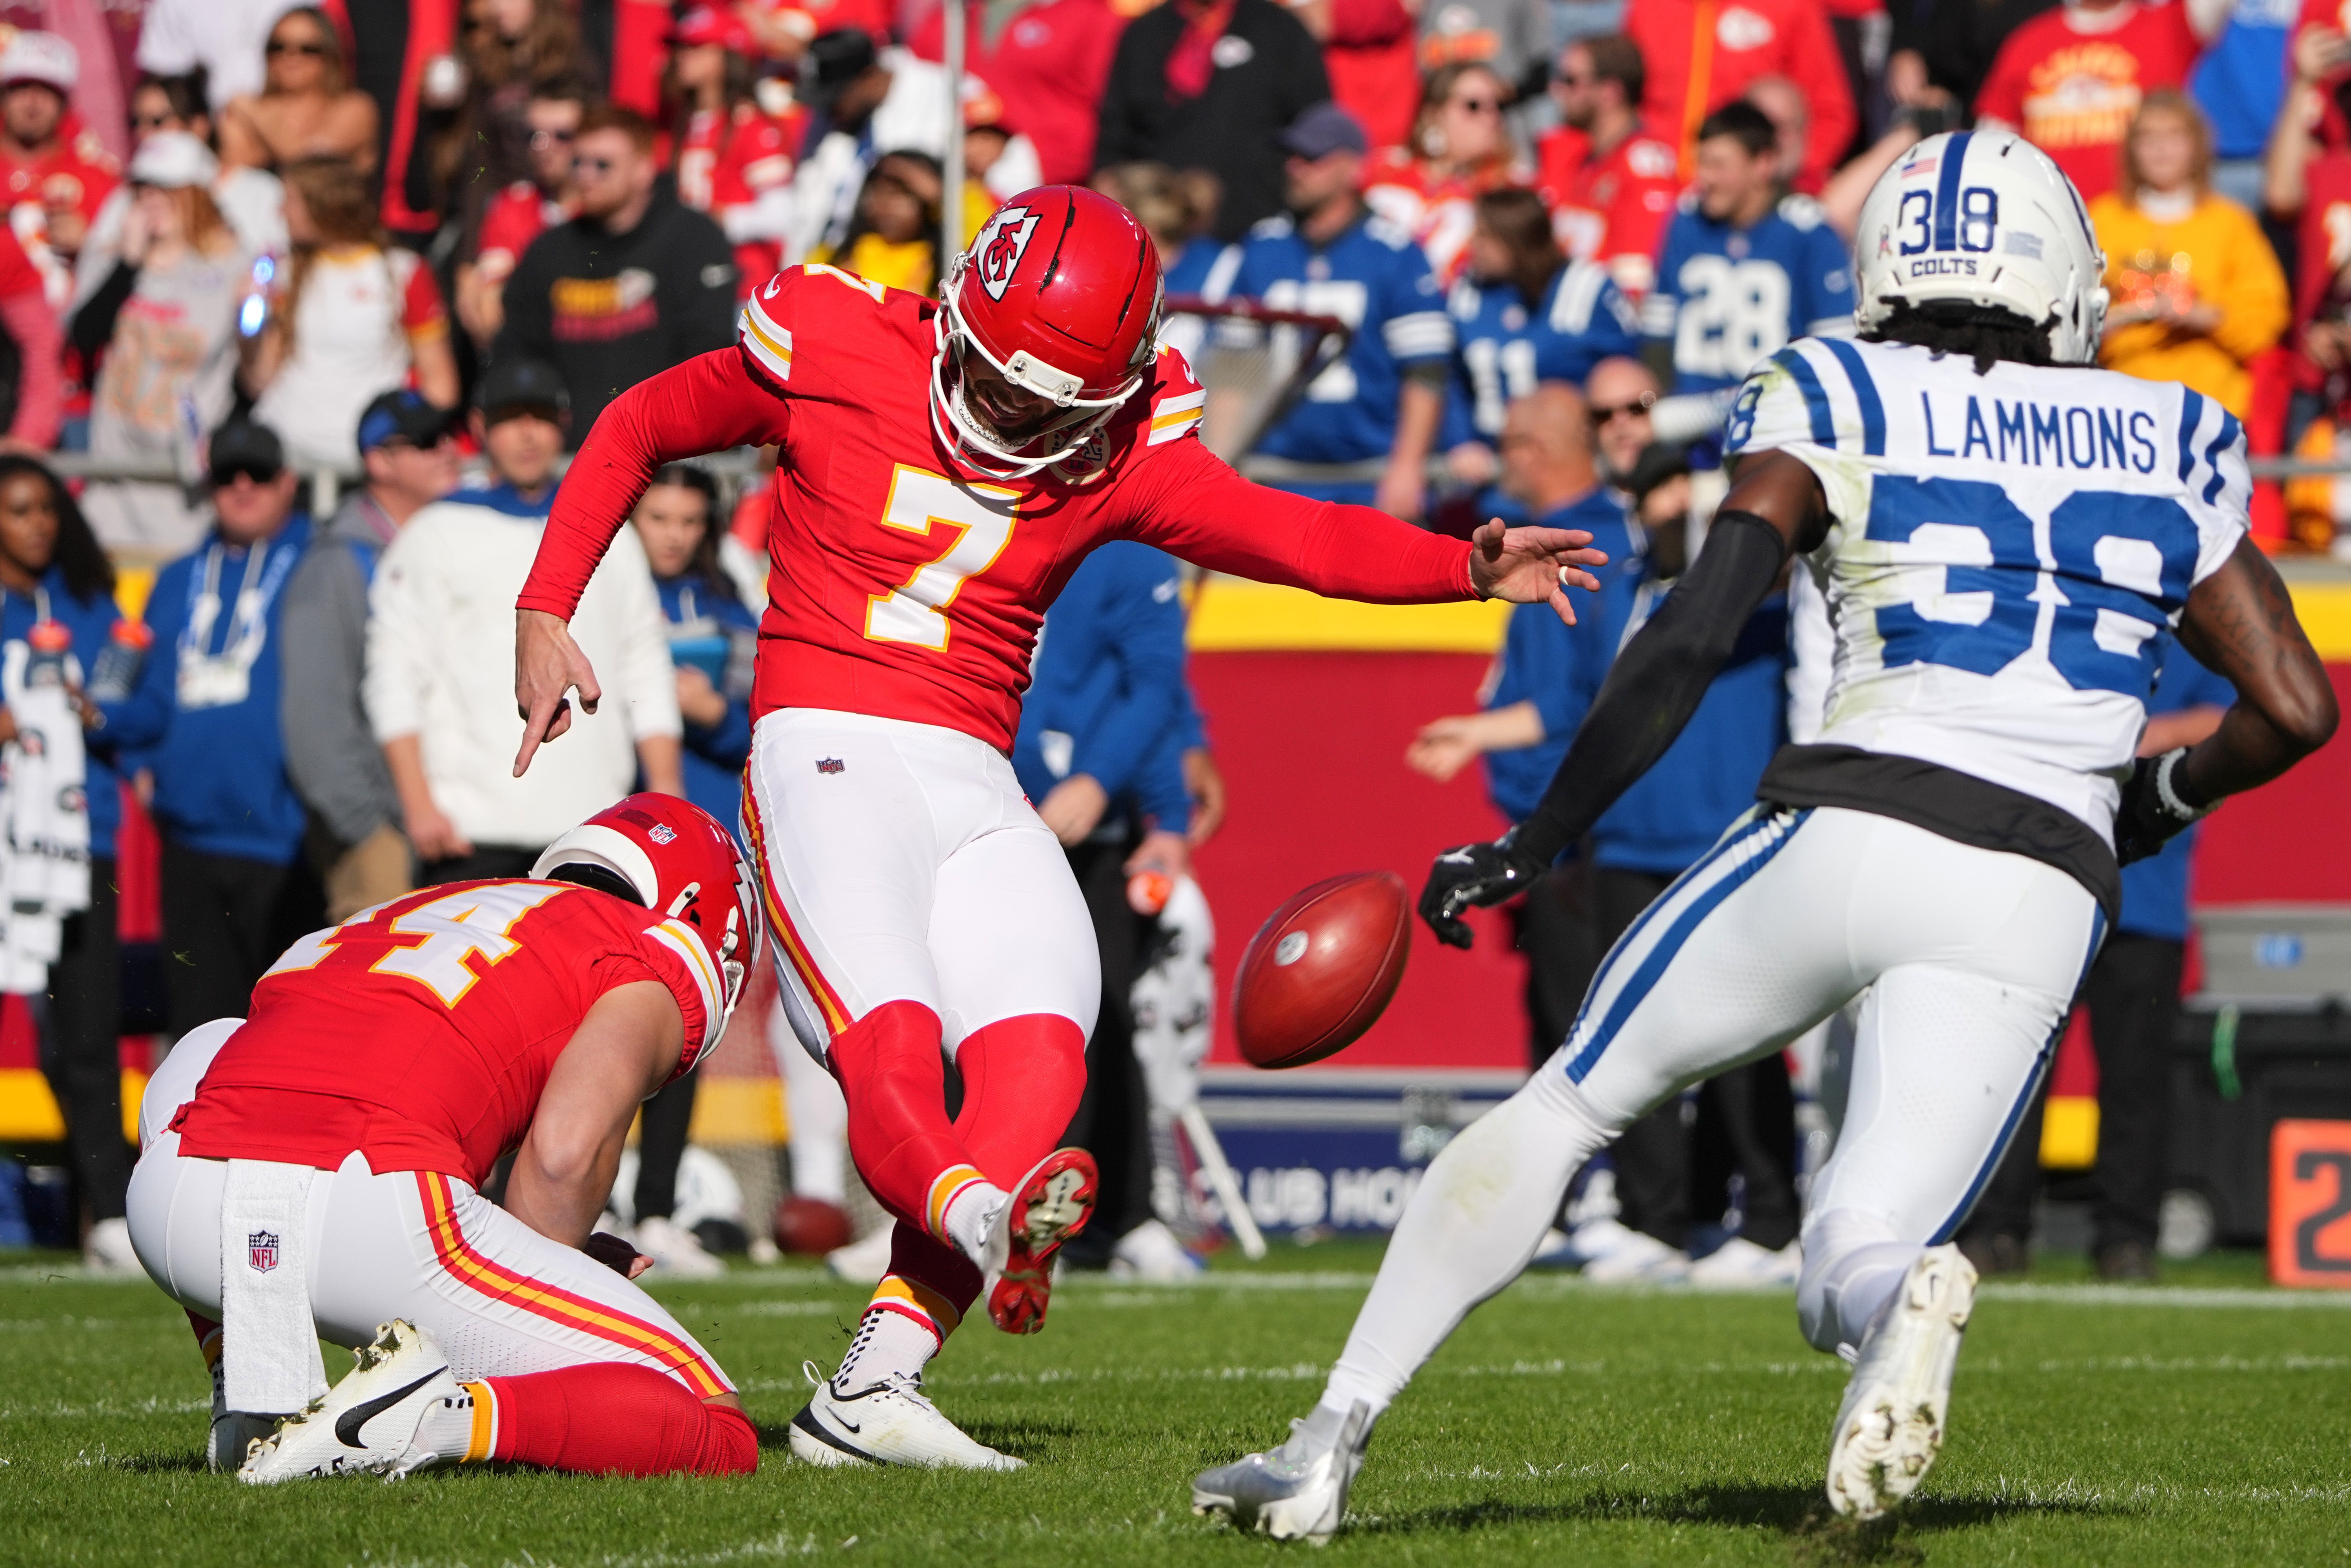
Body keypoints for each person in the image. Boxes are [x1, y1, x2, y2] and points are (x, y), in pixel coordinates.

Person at [1191, 129, 2339, 1538]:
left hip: (1857, 810)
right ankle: (1891, 1302)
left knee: (1566, 1100)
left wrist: (1542, 833)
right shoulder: (2170, 430)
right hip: (2042, 873)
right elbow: (2289, 705)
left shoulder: (1835, 383)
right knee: (1847, 1248)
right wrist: (2151, 800)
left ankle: (1322, 1443)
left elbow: (1688, 631)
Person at [506, 186, 1608, 1470]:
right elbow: (642, 418)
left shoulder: (1125, 441)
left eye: (1054, 405)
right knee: (893, 1041)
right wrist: (547, 600)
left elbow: (1290, 535)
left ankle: (873, 1387)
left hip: (978, 769)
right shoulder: (841, 341)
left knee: (1047, 1034)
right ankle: (984, 1219)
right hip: (823, 742)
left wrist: (1459, 567)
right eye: (1007, 386)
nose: (1021, 419)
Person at [124, 792, 762, 1481]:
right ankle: (428, 1412)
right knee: (716, 1427)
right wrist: (549, 1269)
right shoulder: (647, 949)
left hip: (179, 1211)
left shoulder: (408, 909)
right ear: (715, 925)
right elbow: (562, 1156)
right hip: (371, 1205)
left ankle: (245, 1391)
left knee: (207, 1044)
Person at [1958, 635, 2236, 1280]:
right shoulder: (2066, 615)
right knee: (2015, 1069)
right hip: (2044, 888)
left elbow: (2230, 716)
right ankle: (1997, 1229)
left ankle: (2125, 1237)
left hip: (2147, 901)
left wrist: (2133, 733)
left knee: (2135, 1079)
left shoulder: (2192, 634)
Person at [369, 358, 682, 887]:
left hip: (593, 831)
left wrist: (667, 791)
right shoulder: (437, 530)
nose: (527, 433)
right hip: (471, 834)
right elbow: (394, 673)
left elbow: (644, 663)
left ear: (562, 422)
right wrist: (418, 805)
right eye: (510, 417)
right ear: (479, 428)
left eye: (539, 415)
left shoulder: (613, 533)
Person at [1406, 382, 1637, 1065]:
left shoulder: (1593, 547)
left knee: (1578, 1042)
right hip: (1548, 832)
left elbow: (1587, 698)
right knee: (1554, 1029)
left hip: (1577, 834)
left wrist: (1475, 732)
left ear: (1535, 453)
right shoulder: (1555, 534)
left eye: (1509, 443)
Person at [1010, 539, 1199, 1278]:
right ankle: (947, 1211)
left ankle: (1124, 1212)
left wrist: (1158, 811)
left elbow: (1156, 689)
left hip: (1086, 827)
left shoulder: (1128, 548)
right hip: (978, 805)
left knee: (1103, 1015)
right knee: (957, 1017)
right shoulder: (981, 505)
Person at [3, 457, 168, 1276]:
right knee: (45, 1039)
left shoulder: (91, 606)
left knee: (86, 1031)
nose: (36, 525)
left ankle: (110, 1212)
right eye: (18, 511)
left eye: (45, 510)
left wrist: (91, 709)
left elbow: (140, 714)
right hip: (7, 846)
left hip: (79, 847)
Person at [131, 418, 321, 1038]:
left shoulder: (321, 564)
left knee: (287, 1032)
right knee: (199, 1031)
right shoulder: (176, 578)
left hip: (289, 841)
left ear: (288, 483)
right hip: (191, 836)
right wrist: (139, 766)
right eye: (226, 476)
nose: (243, 488)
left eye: (259, 476)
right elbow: (143, 687)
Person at [1206, 104, 1454, 519]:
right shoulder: (1261, 248)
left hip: (1369, 475)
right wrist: (1221, 467)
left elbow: (1425, 371)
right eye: (1292, 156)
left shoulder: (1395, 253)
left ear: (1353, 169)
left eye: (1312, 158)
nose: (1295, 168)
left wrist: (1407, 468)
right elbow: (1234, 370)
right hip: (1274, 474)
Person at [278, 390, 461, 925]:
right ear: (378, 461)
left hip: (446, 826)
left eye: (450, 436)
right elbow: (315, 720)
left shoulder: (443, 546)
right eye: (427, 442)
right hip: (381, 835)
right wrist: (371, 829)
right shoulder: (334, 565)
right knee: (382, 999)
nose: (448, 451)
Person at [493, 105, 739, 449]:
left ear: (643, 170)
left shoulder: (695, 239)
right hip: (574, 457)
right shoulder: (548, 252)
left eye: (603, 165)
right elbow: (517, 351)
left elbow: (708, 356)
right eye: (578, 162)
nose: (586, 175)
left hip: (668, 458)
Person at [71, 133, 250, 564]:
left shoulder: (231, 268)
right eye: (144, 190)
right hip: (110, 492)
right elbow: (81, 338)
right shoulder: (113, 260)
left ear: (196, 195)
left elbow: (249, 377)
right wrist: (127, 265)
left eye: (167, 190)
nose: (153, 201)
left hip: (185, 501)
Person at [245, 157, 460, 476]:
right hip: (284, 458)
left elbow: (441, 388)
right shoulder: (284, 271)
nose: (280, 212)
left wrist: (398, 439)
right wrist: (247, 325)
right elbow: (260, 381)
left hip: (361, 465)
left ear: (325, 205)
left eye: (290, 201)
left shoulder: (404, 272)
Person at [1643, 104, 1854, 414]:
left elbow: (1837, 348)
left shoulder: (1807, 230)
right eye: (1701, 163)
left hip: (1772, 427)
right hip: (1685, 426)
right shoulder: (1686, 220)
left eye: (1718, 165)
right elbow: (1656, 333)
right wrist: (1656, 408)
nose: (1704, 177)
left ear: (1763, 164)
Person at [2093, 92, 2288, 419]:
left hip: (2209, 408)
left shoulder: (2230, 223)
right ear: (2131, 149)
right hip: (2120, 405)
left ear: (2196, 146)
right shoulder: (2102, 219)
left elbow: (2265, 322)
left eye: (2174, 136)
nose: (2161, 149)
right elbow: (2069, 319)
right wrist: (2129, 315)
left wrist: (2201, 316)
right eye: (2148, 137)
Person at [1442, 186, 1641, 490]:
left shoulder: (1588, 288)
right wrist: (1461, 442)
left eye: (1484, 236)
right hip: (1492, 479)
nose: (1472, 245)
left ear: (1517, 241)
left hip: (1576, 476)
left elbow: (1626, 376)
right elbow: (1451, 380)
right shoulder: (1468, 291)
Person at [786, 29, 1041, 266]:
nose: (829, 109)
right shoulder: (835, 119)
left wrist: (945, 189)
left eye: (835, 96)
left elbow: (1017, 193)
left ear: (869, 77)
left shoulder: (950, 93)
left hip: (935, 270)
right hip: (851, 261)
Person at [1092, 0, 1333, 240]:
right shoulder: (1145, 33)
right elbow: (1116, 132)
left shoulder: (1278, 29)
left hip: (1257, 229)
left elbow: (1315, 125)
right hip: (1163, 237)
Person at [72, 72, 287, 300]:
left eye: (157, 121)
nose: (144, 133)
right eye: (136, 122)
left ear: (199, 126)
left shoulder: (263, 192)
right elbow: (95, 273)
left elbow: (278, 269)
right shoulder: (128, 195)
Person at [1974, 0, 2205, 205]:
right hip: (2051, 218)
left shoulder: (2169, 24)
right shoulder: (2027, 40)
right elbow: (1989, 148)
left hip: (2143, 221)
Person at [1623, 0, 1854, 189]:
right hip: (1655, 190)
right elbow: (1615, 104)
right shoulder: (1646, 7)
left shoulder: (1791, 7)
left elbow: (1831, 112)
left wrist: (1787, 185)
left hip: (1747, 202)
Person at [909, 0, 1128, 188]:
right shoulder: (946, 19)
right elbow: (911, 103)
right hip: (947, 193)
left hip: (1057, 196)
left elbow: (1118, 121)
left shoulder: (1094, 19)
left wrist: (1013, 149)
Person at [664, 5, 805, 293]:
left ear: (728, 56)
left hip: (743, 285)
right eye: (680, 47)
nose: (682, 57)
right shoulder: (681, 123)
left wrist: (717, 220)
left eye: (697, 47)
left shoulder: (751, 125)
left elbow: (781, 214)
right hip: (692, 279)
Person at [1537, 34, 1682, 299]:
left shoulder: (1644, 167)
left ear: (1609, 92)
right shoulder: (1581, 159)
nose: (1556, 91)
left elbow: (1637, 281)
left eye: (1570, 81)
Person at [454, 75, 586, 348]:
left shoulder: (609, 212)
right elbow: (489, 310)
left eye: (562, 135)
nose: (543, 148)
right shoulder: (513, 204)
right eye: (532, 136)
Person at [1362, 62, 1523, 282]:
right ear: (1433, 114)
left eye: (1499, 106)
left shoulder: (1511, 190)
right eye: (1474, 106)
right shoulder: (1381, 171)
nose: (1491, 117)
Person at [0, 30, 120, 309]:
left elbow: (132, 272)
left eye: (47, 90)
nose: (32, 101)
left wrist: (90, 246)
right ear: (4, 94)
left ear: (66, 103)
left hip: (61, 339)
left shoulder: (99, 180)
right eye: (22, 87)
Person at [217, 6, 378, 176]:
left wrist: (253, 113)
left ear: (329, 55)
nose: (291, 57)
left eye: (307, 49)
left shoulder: (355, 108)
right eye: (279, 47)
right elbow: (235, 179)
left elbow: (311, 164)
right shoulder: (254, 109)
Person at [1585, 355, 1661, 483]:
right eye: (1604, 415)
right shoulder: (1573, 500)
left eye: (1637, 408)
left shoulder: (1698, 496)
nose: (1621, 423)